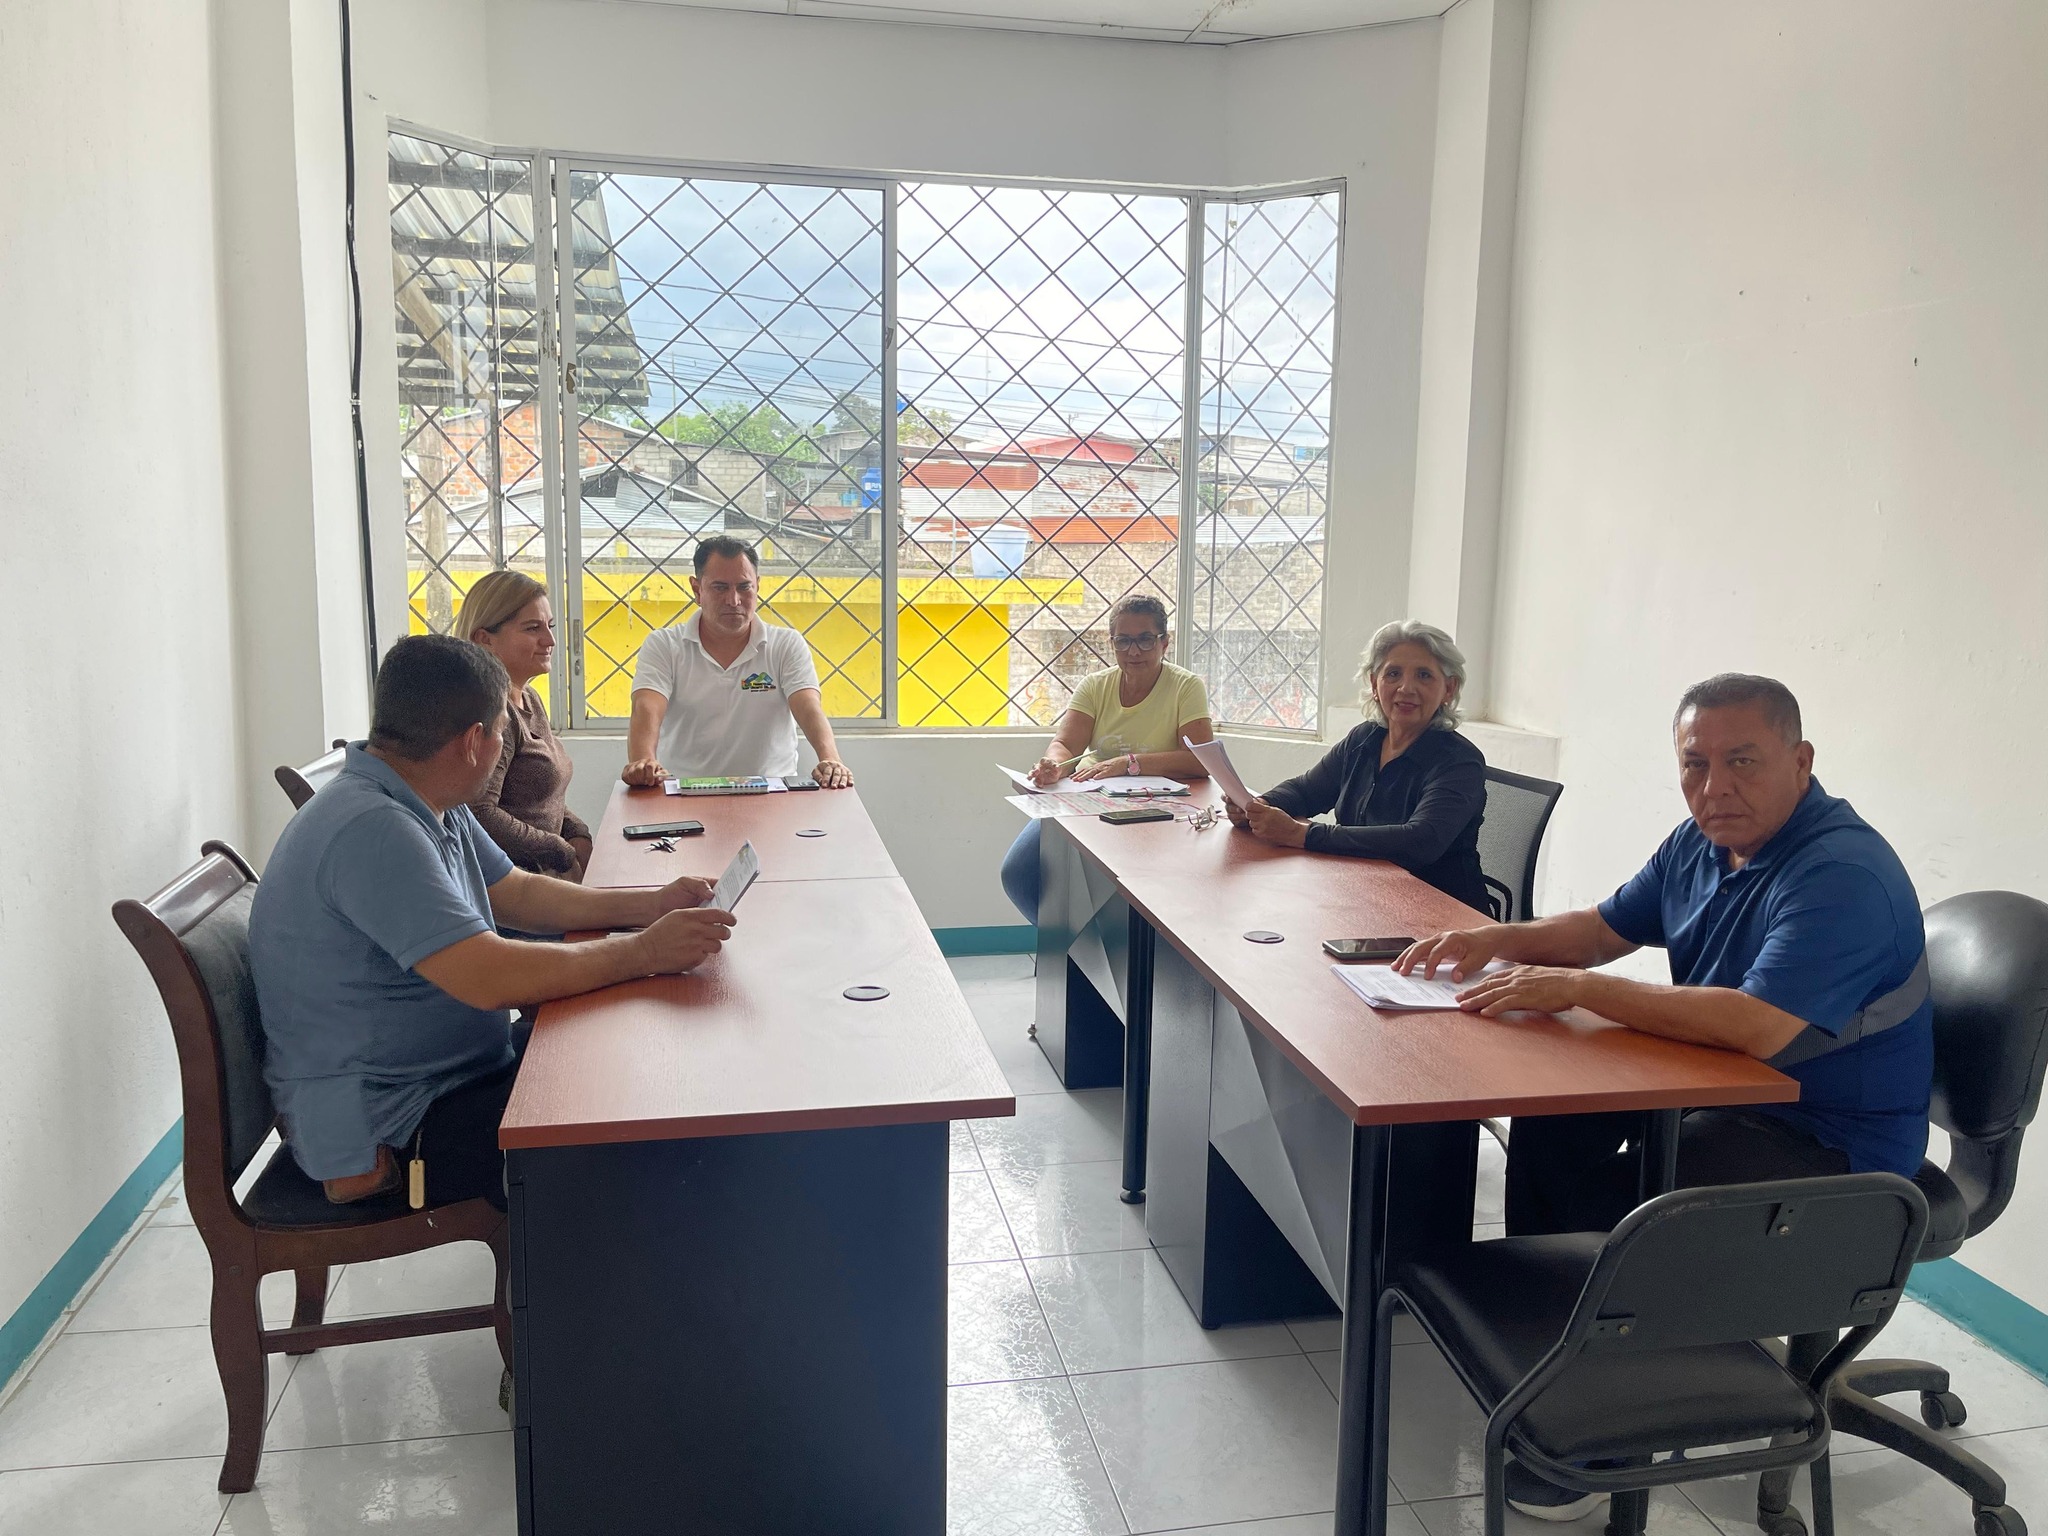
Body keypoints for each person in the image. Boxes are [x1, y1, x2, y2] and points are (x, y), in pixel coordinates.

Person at [1397, 672, 1933, 1521]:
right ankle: (1556, 1370)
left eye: (1743, 761)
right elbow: (1601, 930)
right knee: (1552, 1127)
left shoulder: (1841, 874)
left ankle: (1600, 1441)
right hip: (1717, 1087)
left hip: (1827, 1143)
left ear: (1801, 761)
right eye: (1695, 764)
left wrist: (1580, 990)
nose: (1714, 786)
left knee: (1627, 1215)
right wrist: (1491, 939)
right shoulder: (1702, 840)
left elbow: (1757, 1026)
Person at [250, 635, 737, 1210]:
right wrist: (645, 952)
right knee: (646, 1124)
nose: (503, 743)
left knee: (619, 1045)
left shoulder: (424, 795)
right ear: (472, 741)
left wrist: (650, 905)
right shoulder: (374, 828)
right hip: (400, 1124)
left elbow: (517, 893)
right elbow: (490, 977)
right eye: (502, 732)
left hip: (451, 1074)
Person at [1227, 620, 1487, 909]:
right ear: (1375, 684)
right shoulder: (1364, 739)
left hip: (1440, 912)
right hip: (1360, 893)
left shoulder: (1460, 762)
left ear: (1448, 689)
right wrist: (1259, 806)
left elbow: (1421, 841)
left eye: (1424, 675)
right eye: (1393, 674)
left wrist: (1302, 835)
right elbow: (1306, 791)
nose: (1406, 688)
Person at [998, 594, 1215, 921]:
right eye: (1123, 641)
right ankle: (1071, 946)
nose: (1133, 651)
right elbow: (1066, 744)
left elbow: (1198, 760)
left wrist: (1129, 763)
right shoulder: (1095, 685)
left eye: (1145, 640)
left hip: (1154, 806)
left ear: (1164, 643)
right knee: (1019, 874)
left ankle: (1110, 948)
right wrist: (1054, 765)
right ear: (1111, 643)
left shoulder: (1186, 687)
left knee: (1129, 887)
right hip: (1089, 795)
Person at [621, 537, 853, 789]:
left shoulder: (786, 644)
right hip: (684, 791)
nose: (734, 600)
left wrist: (830, 759)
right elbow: (646, 708)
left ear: (758, 586)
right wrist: (643, 762)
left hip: (772, 793)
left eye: (744, 587)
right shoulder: (664, 645)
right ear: (697, 590)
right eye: (720, 588)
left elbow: (808, 707)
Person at [456, 570, 591, 880]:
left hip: (547, 875)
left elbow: (542, 797)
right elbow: (479, 814)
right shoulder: (493, 713)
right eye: (533, 628)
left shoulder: (529, 697)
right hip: (515, 887)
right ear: (484, 639)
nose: (550, 640)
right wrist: (560, 850)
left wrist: (577, 833)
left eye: (550, 626)